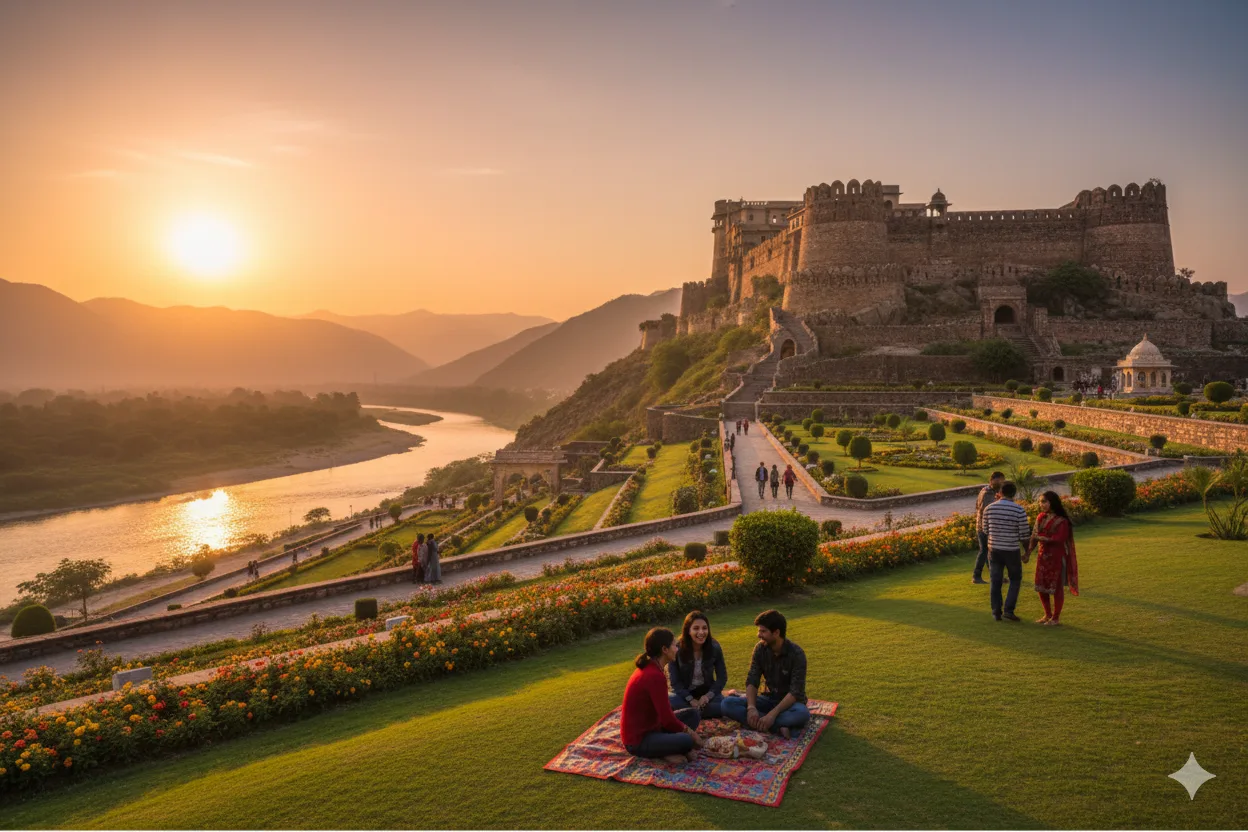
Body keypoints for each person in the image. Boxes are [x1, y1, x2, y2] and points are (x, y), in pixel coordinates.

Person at [722, 610, 810, 738]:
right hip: (768, 699)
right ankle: (778, 726)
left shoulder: (797, 654)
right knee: (727, 704)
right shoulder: (760, 649)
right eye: (759, 631)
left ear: (776, 633)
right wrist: (751, 708)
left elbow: (795, 692)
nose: (759, 635)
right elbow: (752, 679)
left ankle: (764, 723)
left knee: (802, 713)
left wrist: (772, 715)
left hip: (789, 704)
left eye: (763, 631)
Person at [621, 627, 704, 763]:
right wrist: (690, 733)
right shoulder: (653, 675)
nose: (677, 649)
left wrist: (684, 729)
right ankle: (665, 751)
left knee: (693, 714)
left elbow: (665, 713)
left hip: (654, 727)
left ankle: (667, 747)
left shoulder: (653, 668)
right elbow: (667, 720)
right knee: (687, 740)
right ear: (664, 649)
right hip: (638, 740)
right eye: (674, 645)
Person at [981, 481, 1032, 622]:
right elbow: (1024, 535)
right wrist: (1027, 552)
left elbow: (985, 530)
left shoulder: (989, 509)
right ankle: (1009, 610)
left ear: (1000, 492)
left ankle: (996, 610)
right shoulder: (1019, 510)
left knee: (995, 580)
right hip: (1011, 550)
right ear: (1014, 494)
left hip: (994, 549)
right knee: (1015, 579)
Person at [1027, 491, 1079, 625]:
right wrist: (1027, 552)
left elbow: (1060, 539)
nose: (1041, 504)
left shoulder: (1062, 521)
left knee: (1056, 588)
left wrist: (1044, 538)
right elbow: (1034, 536)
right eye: (1040, 502)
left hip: (1057, 558)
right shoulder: (1041, 518)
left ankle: (1055, 618)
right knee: (1041, 586)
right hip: (1043, 557)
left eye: (1044, 501)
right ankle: (1047, 614)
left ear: (1052, 502)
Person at [667, 611, 728, 719]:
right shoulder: (677, 649)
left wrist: (708, 696)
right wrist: (690, 699)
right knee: (669, 700)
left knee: (724, 704)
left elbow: (722, 677)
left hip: (706, 692)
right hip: (684, 694)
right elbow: (674, 682)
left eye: (704, 628)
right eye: (696, 628)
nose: (701, 632)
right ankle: (699, 712)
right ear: (688, 631)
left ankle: (692, 713)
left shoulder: (714, 647)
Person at [972, 472, 1006, 585]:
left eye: (1002, 481)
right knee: (985, 551)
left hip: (987, 526)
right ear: (992, 480)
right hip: (984, 526)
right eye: (999, 481)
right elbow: (987, 509)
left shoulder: (991, 491)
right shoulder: (987, 493)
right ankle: (976, 576)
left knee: (988, 552)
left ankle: (996, 576)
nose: (1001, 483)